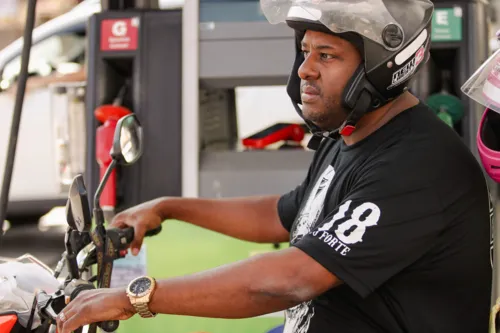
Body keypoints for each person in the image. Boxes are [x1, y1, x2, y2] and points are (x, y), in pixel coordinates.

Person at [56, 0, 493, 332]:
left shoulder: (415, 166)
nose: (305, 69)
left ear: (383, 68)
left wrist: (135, 298)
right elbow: (286, 215)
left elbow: (290, 280)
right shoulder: (352, 134)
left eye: (327, 55)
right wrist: (170, 207)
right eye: (305, 51)